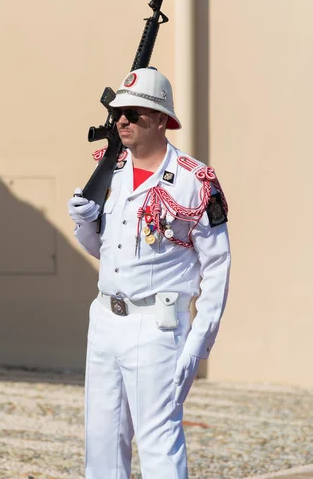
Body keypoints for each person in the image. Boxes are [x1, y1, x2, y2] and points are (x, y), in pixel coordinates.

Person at [68, 67, 231, 479]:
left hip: (156, 326)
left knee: (158, 443)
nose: (122, 120)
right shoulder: (111, 171)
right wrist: (85, 224)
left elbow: (217, 266)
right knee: (102, 442)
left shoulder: (196, 181)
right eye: (119, 111)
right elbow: (105, 253)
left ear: (161, 119)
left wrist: (198, 343)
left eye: (135, 112)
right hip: (105, 318)